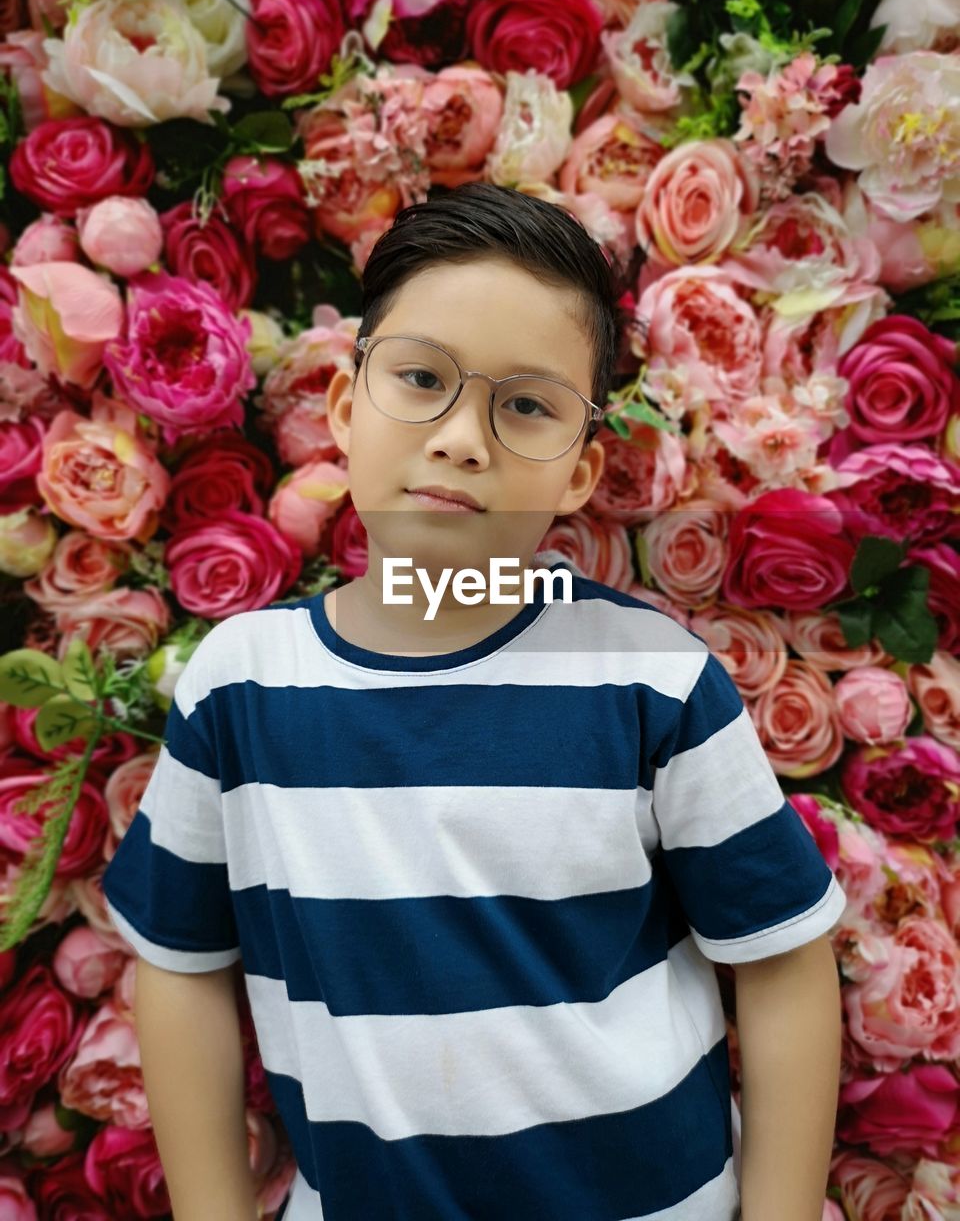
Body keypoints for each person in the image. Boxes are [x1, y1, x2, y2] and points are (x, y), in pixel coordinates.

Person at [102, 182, 847, 1221]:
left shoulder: (652, 680)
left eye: (527, 405)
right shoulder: (242, 686)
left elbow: (781, 961)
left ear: (582, 468)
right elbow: (182, 967)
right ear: (345, 406)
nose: (462, 438)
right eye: (420, 379)